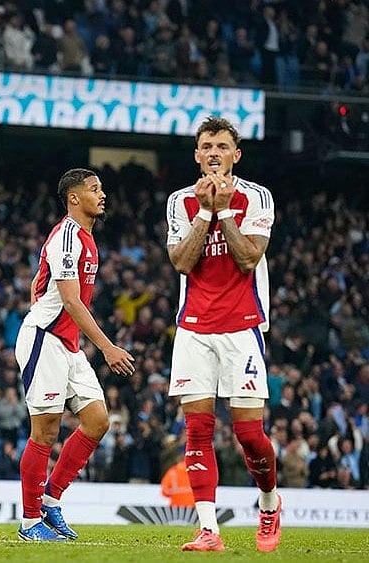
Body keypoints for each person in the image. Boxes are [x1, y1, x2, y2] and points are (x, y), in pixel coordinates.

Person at [165, 116, 280, 552]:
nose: (214, 153)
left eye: (222, 146)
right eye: (207, 146)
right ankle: (208, 529)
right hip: (193, 327)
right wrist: (205, 213)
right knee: (197, 432)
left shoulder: (257, 197)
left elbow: (249, 258)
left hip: (242, 326)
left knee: (248, 434)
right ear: (197, 155)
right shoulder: (180, 201)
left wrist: (226, 210)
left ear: (236, 154)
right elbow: (181, 262)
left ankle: (268, 502)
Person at [14, 168, 135, 542]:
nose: (102, 194)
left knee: (97, 421)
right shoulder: (67, 237)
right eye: (94, 189)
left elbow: (43, 286)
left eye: (101, 188)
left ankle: (50, 500)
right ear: (74, 198)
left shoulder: (86, 237)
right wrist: (107, 346)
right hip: (45, 339)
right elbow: (70, 300)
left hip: (67, 344)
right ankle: (30, 522)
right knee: (45, 430)